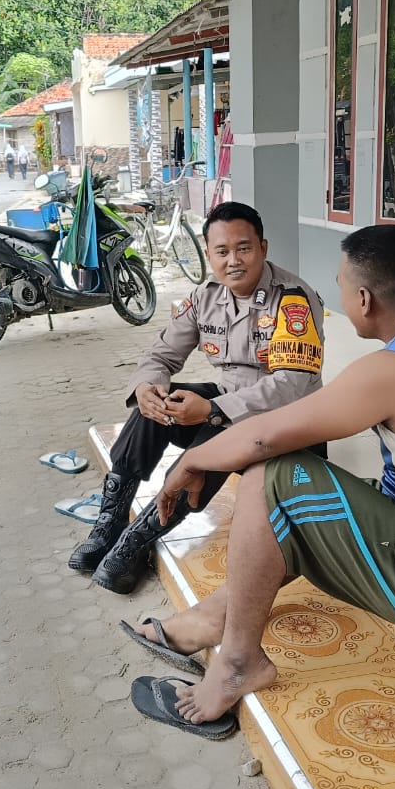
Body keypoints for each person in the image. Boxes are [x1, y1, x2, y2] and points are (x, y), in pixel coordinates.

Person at [128, 225, 395, 728]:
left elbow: (264, 438)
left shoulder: (394, 369)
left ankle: (238, 664)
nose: (341, 297)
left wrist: (189, 463)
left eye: (342, 286)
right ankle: (214, 617)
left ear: (364, 300)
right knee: (295, 496)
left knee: (271, 477)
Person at [68, 201, 327, 594]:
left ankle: (137, 540)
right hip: (228, 403)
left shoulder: (292, 300)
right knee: (158, 403)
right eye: (222, 251)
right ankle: (111, 521)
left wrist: (213, 409)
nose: (233, 260)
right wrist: (147, 388)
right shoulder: (205, 297)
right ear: (209, 254)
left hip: (286, 423)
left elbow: (290, 385)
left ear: (263, 248)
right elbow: (162, 355)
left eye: (244, 248)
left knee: (214, 437)